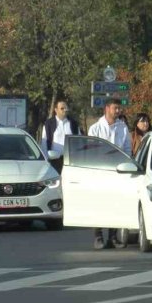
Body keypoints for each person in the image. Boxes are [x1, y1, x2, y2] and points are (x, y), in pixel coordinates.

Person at [88, 98, 132, 249]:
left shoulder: (123, 127)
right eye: (115, 108)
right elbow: (91, 151)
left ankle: (113, 237)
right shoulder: (95, 128)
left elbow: (127, 150)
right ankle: (98, 236)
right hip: (100, 172)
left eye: (119, 108)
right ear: (107, 108)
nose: (118, 111)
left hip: (118, 172)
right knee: (99, 204)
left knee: (115, 204)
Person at [40, 98, 81, 174]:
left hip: (70, 161)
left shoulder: (73, 123)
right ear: (56, 110)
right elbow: (44, 142)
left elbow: (79, 140)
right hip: (54, 160)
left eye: (66, 108)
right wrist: (46, 160)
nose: (65, 110)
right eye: (62, 108)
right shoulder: (49, 124)